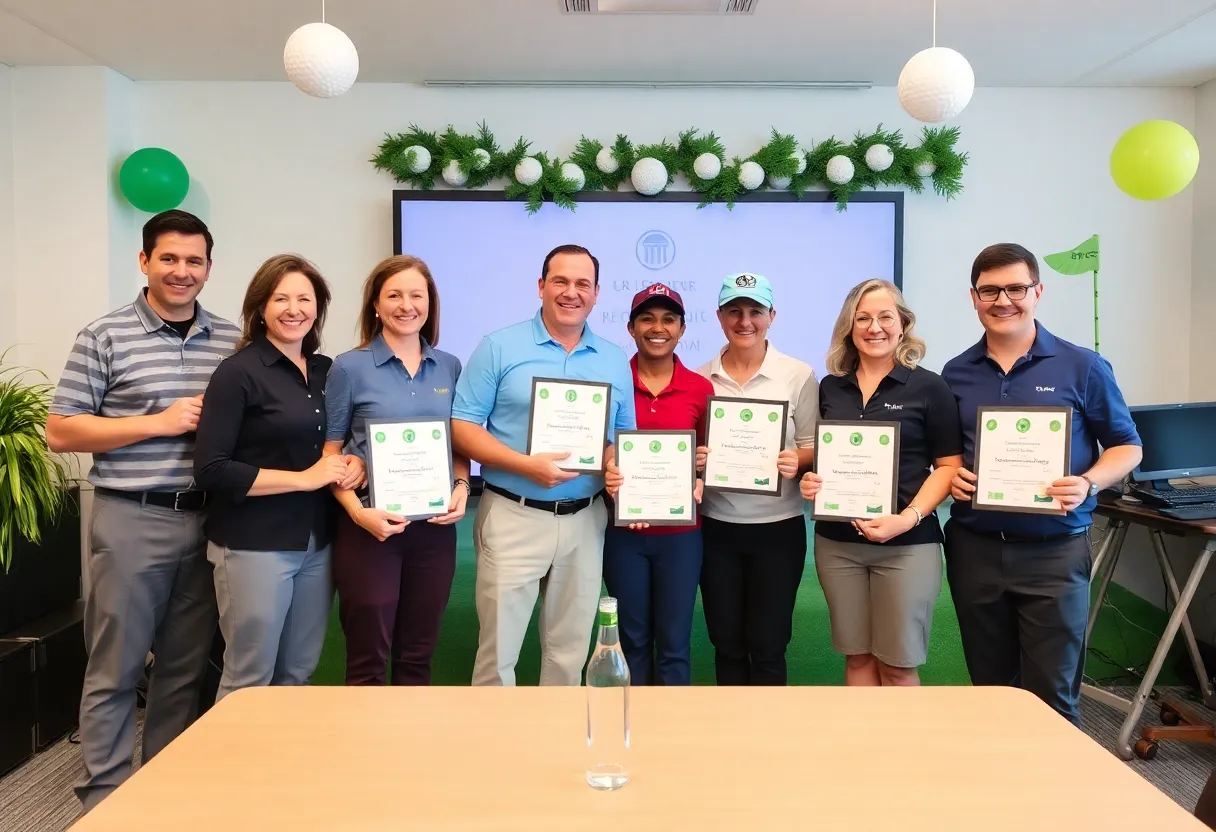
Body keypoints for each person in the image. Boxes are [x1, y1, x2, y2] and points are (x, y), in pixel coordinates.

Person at [45, 210, 241, 811]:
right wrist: (157, 422)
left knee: (183, 668)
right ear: (144, 262)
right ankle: (104, 796)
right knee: (117, 665)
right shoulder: (103, 335)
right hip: (133, 517)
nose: (182, 272)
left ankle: (163, 787)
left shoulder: (233, 340)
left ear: (209, 268)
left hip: (210, 521)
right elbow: (60, 431)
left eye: (194, 261)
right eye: (170, 259)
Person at [942, 243, 1143, 726]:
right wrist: (950, 479)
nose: (1003, 299)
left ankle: (1057, 801)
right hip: (975, 549)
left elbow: (1127, 446)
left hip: (1055, 552)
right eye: (989, 290)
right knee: (990, 691)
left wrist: (1089, 482)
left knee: (1052, 697)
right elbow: (944, 457)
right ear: (973, 297)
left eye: (1015, 288)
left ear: (1038, 291)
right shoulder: (955, 373)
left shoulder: (1083, 366)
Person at [452, 244, 635, 686]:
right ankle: (498, 754)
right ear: (541, 286)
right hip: (514, 511)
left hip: (584, 520)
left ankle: (558, 749)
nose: (571, 292)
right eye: (561, 281)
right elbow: (462, 426)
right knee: (498, 655)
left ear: (595, 294)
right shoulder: (499, 346)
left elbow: (619, 439)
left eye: (582, 284)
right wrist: (524, 464)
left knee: (570, 654)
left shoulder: (614, 358)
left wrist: (613, 464)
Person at [193, 254, 360, 700]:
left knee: (298, 674)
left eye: (304, 298)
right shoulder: (237, 373)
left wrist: (354, 462)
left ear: (318, 308)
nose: (294, 309)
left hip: (317, 543)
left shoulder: (330, 371)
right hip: (254, 545)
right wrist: (304, 478)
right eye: (280, 298)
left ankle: (286, 769)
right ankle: (235, 770)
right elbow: (212, 468)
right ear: (260, 307)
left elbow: (339, 443)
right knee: (249, 678)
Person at [799, 279, 962, 686]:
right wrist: (811, 482)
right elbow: (825, 456)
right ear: (849, 327)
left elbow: (947, 467)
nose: (875, 327)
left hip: (907, 545)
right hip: (838, 545)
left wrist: (906, 518)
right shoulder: (830, 386)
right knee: (857, 660)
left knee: (898, 665)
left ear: (903, 323)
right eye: (863, 318)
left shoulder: (929, 386)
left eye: (885, 317)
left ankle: (902, 753)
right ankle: (863, 751)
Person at [322, 255, 469, 685]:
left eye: (416, 295)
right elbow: (330, 455)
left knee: (417, 657)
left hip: (435, 530)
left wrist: (461, 483)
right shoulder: (348, 367)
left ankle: (412, 751)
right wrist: (356, 512)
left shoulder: (449, 366)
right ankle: (365, 752)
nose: (406, 305)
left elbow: (460, 440)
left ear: (430, 303)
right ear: (375, 305)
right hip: (370, 529)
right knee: (367, 659)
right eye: (394, 295)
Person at [697, 272, 817, 686]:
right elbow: (691, 453)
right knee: (726, 642)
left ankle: (767, 745)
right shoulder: (701, 378)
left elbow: (813, 446)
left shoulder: (798, 374)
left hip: (778, 530)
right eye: (734, 311)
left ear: (772, 316)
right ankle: (730, 744)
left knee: (768, 645)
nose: (744, 321)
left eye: (755, 311)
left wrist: (795, 459)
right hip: (716, 529)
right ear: (719, 316)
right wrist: (695, 460)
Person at [601, 283, 713, 685]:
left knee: (674, 643)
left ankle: (670, 741)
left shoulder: (700, 388)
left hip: (682, 535)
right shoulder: (611, 380)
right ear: (631, 328)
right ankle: (631, 734)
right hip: (622, 533)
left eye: (668, 319)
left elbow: (707, 456)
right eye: (646, 318)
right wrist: (607, 466)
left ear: (682, 329)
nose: (657, 327)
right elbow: (598, 445)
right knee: (631, 640)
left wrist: (702, 472)